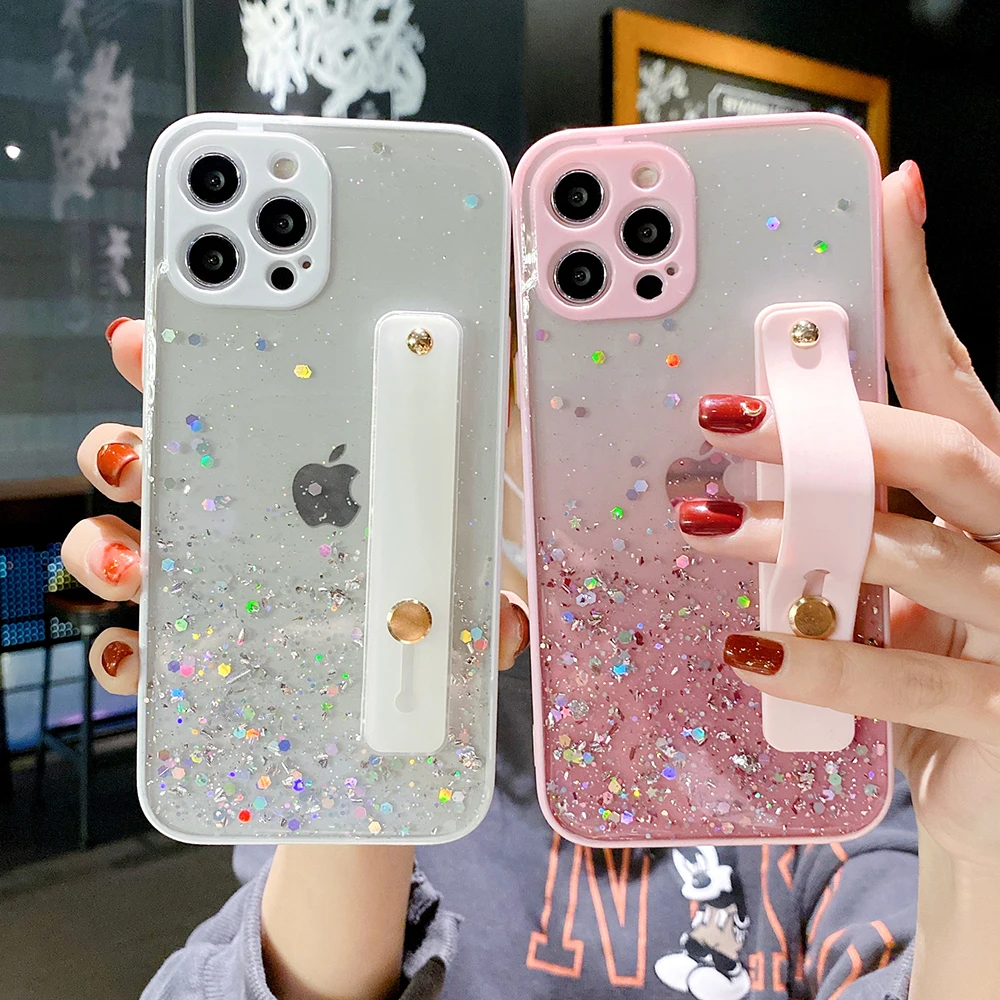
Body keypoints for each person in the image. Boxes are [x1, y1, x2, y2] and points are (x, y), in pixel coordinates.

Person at [61, 162, 1000, 1000]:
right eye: (563, 390)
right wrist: (374, 709)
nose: (643, 459)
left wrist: (979, 858)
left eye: (678, 401)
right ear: (479, 418)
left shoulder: (836, 716)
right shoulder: (394, 713)